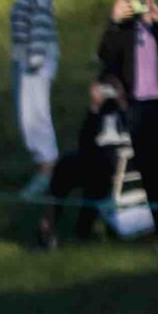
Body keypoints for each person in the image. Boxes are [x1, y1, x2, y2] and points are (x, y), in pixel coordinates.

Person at [94, 0, 158, 237]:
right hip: (137, 107)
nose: (140, 4)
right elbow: (104, 55)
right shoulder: (124, 32)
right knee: (146, 167)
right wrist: (114, 22)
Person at [34, 78, 131, 249]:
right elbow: (85, 141)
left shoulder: (131, 111)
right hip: (93, 161)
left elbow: (136, 131)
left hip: (113, 164)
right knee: (65, 167)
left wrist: (123, 104)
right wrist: (94, 107)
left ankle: (77, 230)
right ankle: (49, 227)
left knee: (89, 174)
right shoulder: (99, 114)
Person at [6, 0, 60, 193]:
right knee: (27, 114)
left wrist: (36, 58)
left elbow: (41, 18)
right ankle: (43, 166)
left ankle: (48, 169)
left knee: (36, 114)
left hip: (36, 58)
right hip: (25, 58)